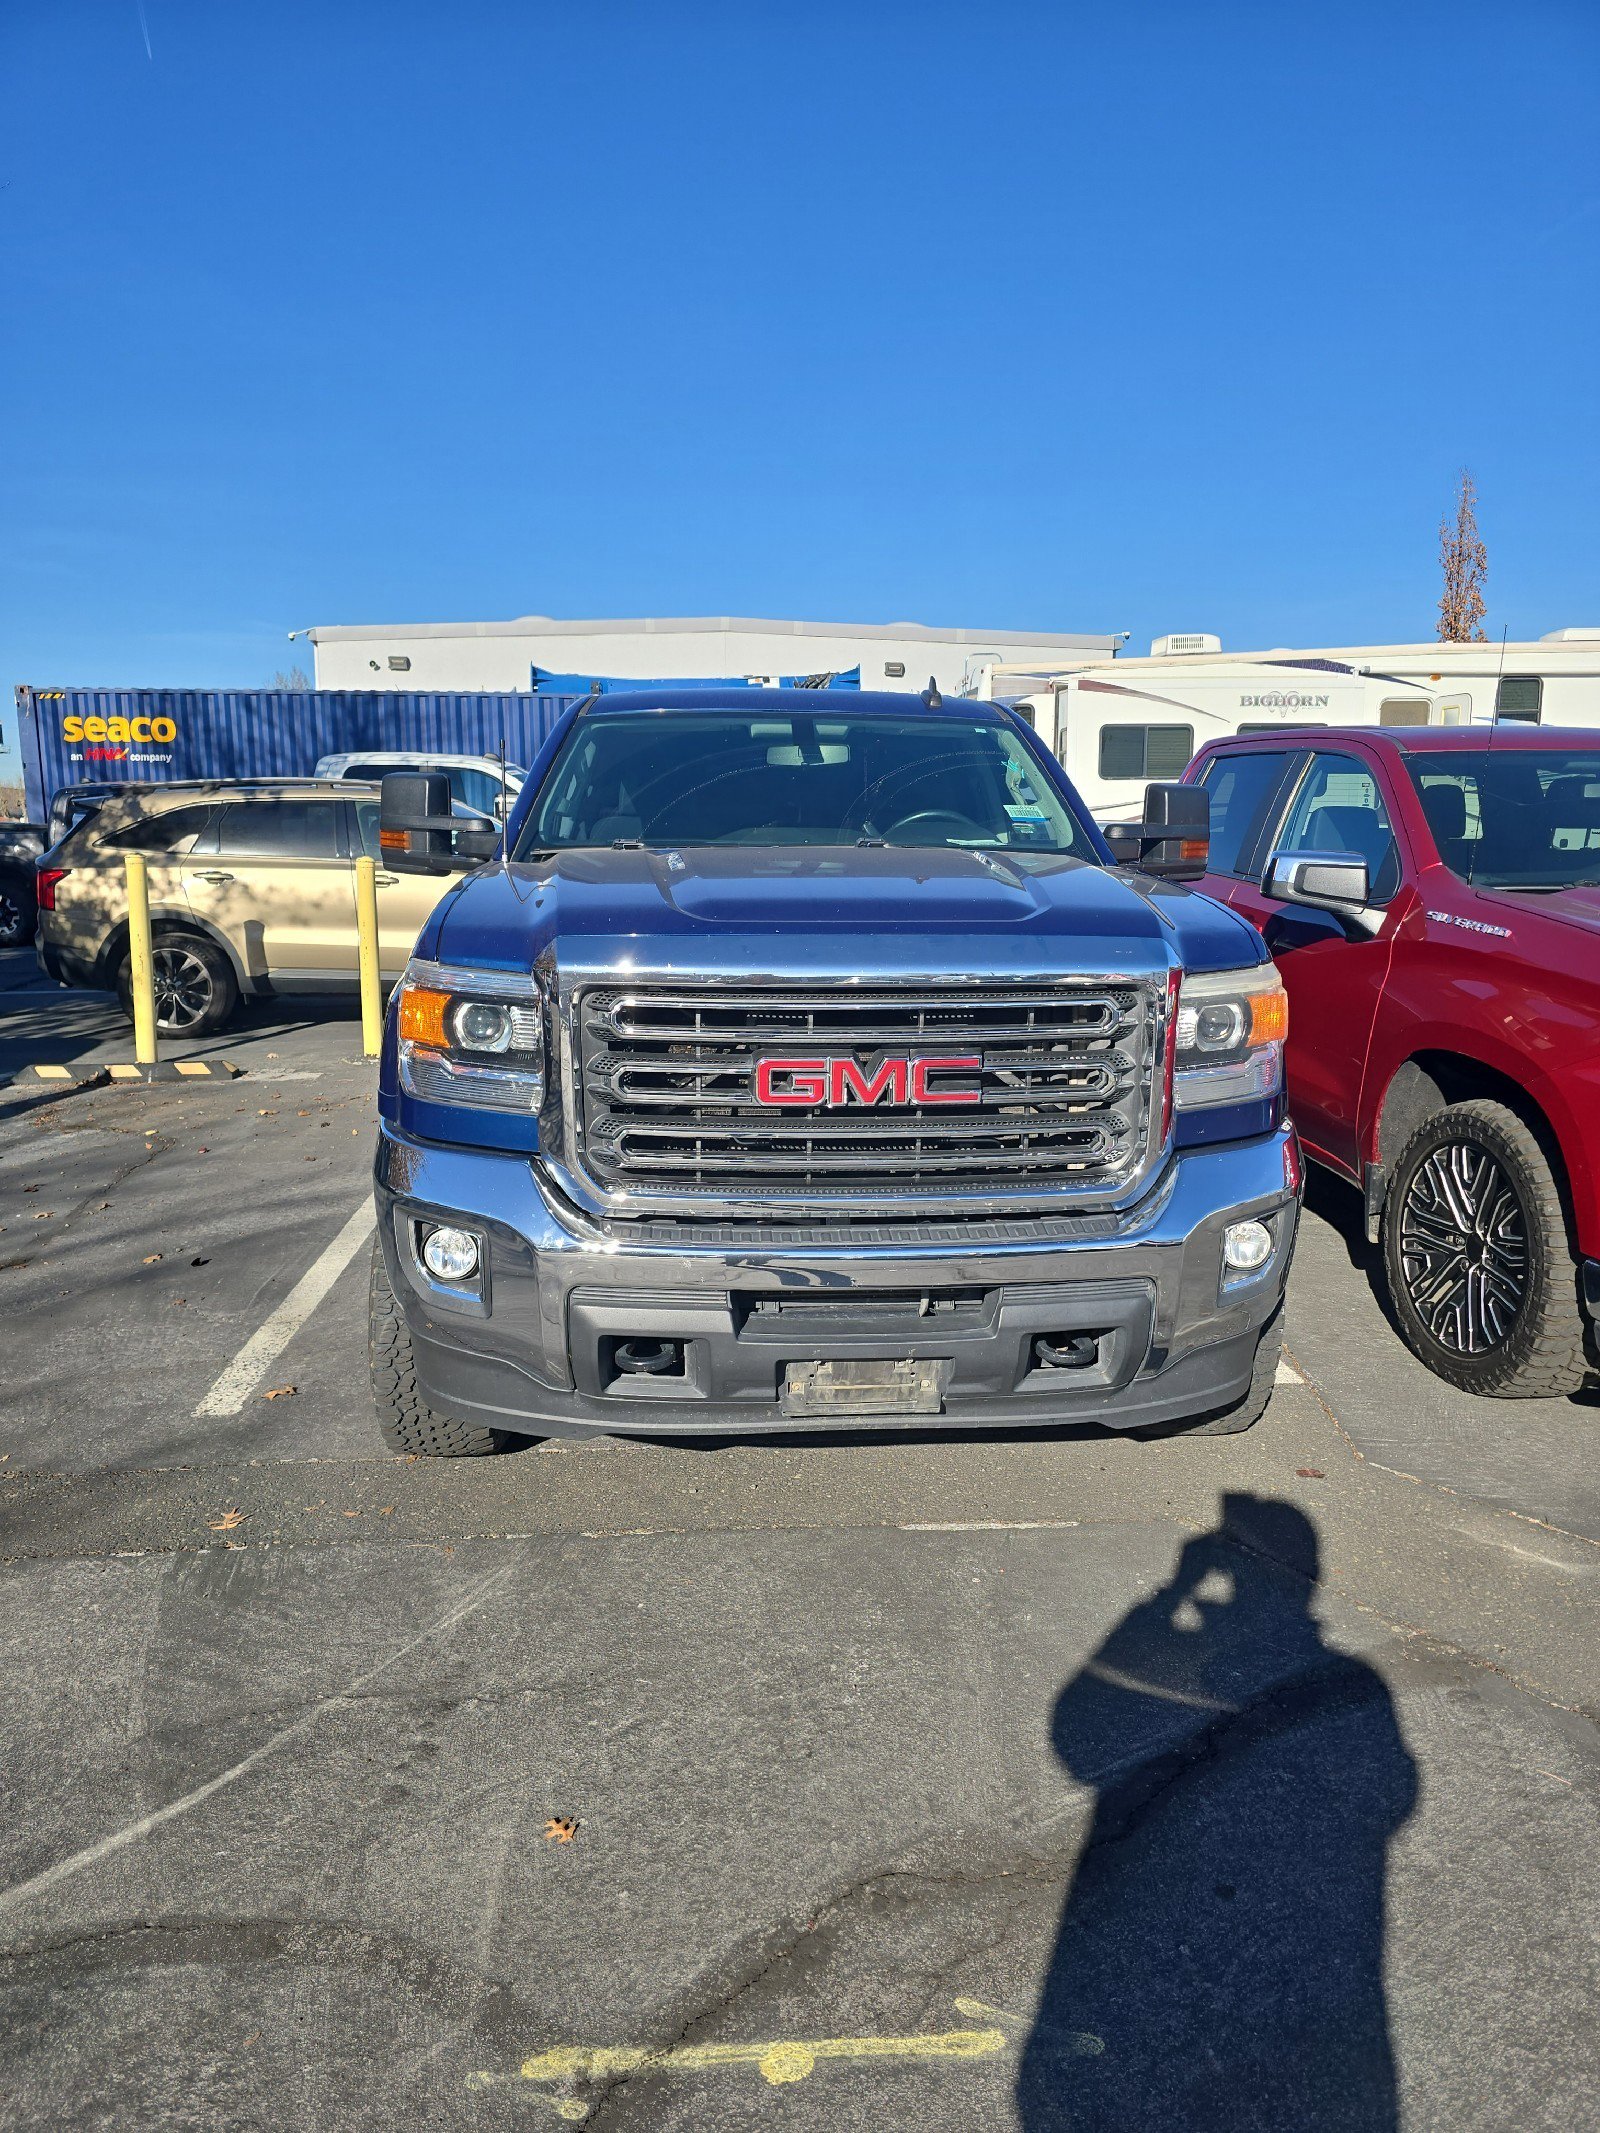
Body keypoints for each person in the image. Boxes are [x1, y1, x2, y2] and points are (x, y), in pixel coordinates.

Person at [1017, 1494, 1418, 2132]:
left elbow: (1079, 1741)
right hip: (1312, 1961)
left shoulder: (1333, 1681)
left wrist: (1172, 1593)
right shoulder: (1350, 1681)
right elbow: (1394, 1792)